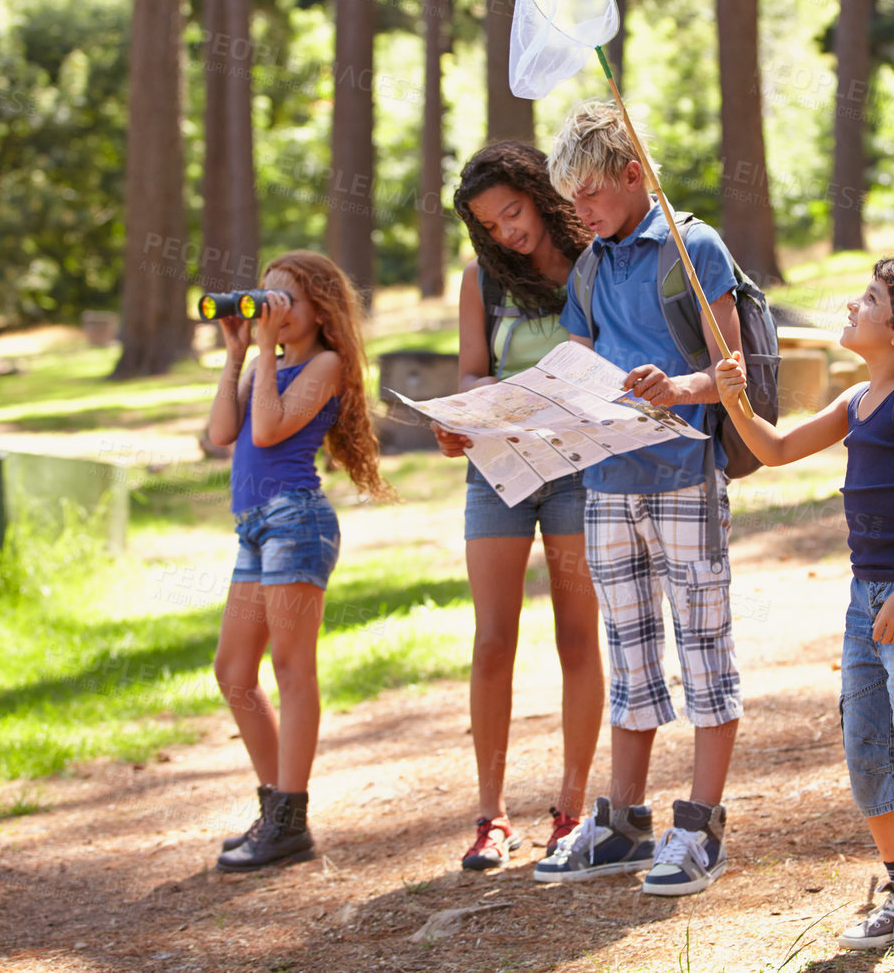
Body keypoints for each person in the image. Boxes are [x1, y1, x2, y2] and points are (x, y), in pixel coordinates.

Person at [717, 259, 894, 970]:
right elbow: (775, 451)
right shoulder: (856, 400)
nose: (851, 302)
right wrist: (735, 403)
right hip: (866, 599)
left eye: (867, 299)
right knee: (868, 746)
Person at [533, 101, 744, 897]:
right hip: (607, 484)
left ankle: (700, 826)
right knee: (628, 653)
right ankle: (623, 821)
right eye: (571, 200)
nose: (580, 212)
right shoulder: (588, 267)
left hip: (683, 475)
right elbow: (579, 362)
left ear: (632, 175)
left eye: (590, 194)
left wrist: (677, 387)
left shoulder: (692, 248)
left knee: (703, 651)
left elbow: (730, 373)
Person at [432, 140, 607, 871]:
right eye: (491, 224)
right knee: (493, 640)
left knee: (576, 637)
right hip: (499, 469)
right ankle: (490, 816)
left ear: (539, 194)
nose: (508, 232)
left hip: (576, 466)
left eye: (513, 212)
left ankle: (571, 810)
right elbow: (473, 369)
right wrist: (461, 412)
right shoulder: (482, 280)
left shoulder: (594, 263)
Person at [208, 250, 394, 872]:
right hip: (255, 530)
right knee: (234, 671)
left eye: (285, 300)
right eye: (267, 297)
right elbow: (220, 433)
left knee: (290, 666)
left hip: (296, 522)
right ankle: (277, 811)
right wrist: (238, 350)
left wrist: (265, 353)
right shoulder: (266, 364)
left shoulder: (325, 364)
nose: (272, 310)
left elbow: (267, 432)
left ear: (319, 311)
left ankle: (290, 817)